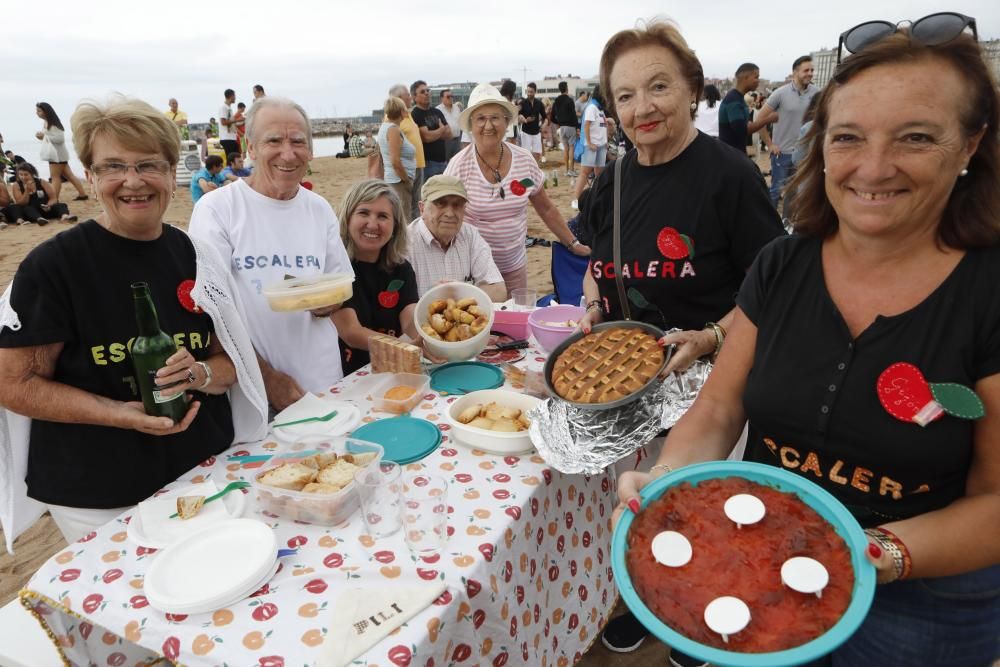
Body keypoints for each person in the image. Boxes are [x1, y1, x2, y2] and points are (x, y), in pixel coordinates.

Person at [615, 19, 1000, 667]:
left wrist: (868, 553)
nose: (874, 167)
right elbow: (715, 411)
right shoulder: (781, 265)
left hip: (924, 605)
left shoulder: (989, 290)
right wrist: (666, 486)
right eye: (848, 137)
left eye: (915, 138)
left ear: (970, 145)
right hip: (760, 564)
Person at [578, 21, 785, 662]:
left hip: (712, 383)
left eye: (659, 86)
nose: (644, 107)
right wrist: (591, 299)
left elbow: (772, 284)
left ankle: (696, 619)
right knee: (641, 503)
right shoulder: (613, 181)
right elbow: (597, 260)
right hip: (631, 383)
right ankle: (645, 601)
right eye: (626, 96)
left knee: (699, 512)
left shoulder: (728, 176)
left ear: (691, 88)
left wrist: (713, 334)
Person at [0, 95, 268, 547]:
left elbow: (231, 361)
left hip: (204, 470)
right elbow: (14, 384)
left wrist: (200, 373)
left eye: (149, 165)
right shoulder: (53, 268)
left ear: (170, 172)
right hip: (100, 492)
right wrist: (119, 415)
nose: (132, 181)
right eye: (112, 167)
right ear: (89, 174)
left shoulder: (195, 254)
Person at [189, 96, 353, 411]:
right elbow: (212, 315)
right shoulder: (218, 209)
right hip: (254, 392)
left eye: (298, 142)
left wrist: (324, 302)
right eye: (273, 141)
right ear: (250, 146)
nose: (288, 154)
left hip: (324, 381)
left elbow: (339, 286)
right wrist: (267, 378)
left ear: (311, 149)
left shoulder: (318, 208)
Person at [445, 83, 590, 296]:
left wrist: (573, 243)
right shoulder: (458, 168)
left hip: (515, 265)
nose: (488, 125)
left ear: (506, 121)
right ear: (470, 125)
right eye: (480, 118)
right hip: (474, 272)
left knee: (514, 324)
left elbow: (546, 209)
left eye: (495, 117)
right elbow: (444, 220)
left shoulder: (524, 162)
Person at [332, 180, 423, 374]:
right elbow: (351, 332)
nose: (372, 224)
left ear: (395, 226)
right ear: (347, 217)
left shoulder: (401, 268)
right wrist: (408, 347)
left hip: (389, 368)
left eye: (383, 216)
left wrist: (430, 337)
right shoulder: (334, 267)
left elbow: (409, 318)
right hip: (343, 374)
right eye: (363, 213)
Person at [408, 175, 505, 300]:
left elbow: (499, 290)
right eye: (441, 204)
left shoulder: (470, 235)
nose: (449, 213)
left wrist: (458, 293)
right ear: (422, 208)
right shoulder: (405, 243)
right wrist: (468, 295)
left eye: (457, 205)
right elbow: (400, 307)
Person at [755, 56, 820, 209]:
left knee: (797, 193)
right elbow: (760, 120)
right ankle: (769, 226)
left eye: (812, 70)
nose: (810, 73)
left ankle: (788, 223)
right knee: (776, 192)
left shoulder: (817, 93)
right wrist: (770, 144)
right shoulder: (780, 93)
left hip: (806, 153)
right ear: (795, 72)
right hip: (782, 153)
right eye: (806, 70)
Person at [35, 102, 89, 202]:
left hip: (56, 155)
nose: (37, 113)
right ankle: (83, 194)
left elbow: (60, 139)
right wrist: (42, 137)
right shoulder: (48, 122)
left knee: (55, 177)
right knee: (69, 175)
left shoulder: (53, 124)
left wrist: (44, 137)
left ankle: (54, 199)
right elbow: (51, 138)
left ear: (46, 112)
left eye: (39, 111)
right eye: (37, 111)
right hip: (59, 154)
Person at [388, 84, 426, 216]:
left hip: (417, 165)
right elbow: (392, 154)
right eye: (408, 95)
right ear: (399, 99)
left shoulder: (408, 115)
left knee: (417, 204)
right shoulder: (392, 120)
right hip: (407, 169)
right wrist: (404, 176)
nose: (411, 97)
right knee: (406, 207)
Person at [377, 96, 417, 221]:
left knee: (398, 216)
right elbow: (395, 161)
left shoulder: (385, 127)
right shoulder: (393, 130)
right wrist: (406, 180)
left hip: (394, 179)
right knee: (404, 218)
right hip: (398, 181)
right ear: (401, 112)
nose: (408, 112)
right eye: (405, 109)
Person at [717, 64, 771, 154]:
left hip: (736, 153)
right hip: (730, 155)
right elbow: (742, 130)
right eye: (756, 77)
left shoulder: (738, 98)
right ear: (746, 78)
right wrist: (768, 119)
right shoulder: (733, 100)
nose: (758, 81)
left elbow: (742, 124)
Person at [8, 162, 77, 225]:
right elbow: (21, 203)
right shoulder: (16, 185)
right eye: (21, 175)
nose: (23, 177)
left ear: (32, 174)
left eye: (26, 174)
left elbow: (53, 198)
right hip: (31, 211)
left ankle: (65, 216)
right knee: (27, 209)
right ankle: (39, 219)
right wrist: (26, 191)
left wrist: (48, 205)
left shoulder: (41, 182)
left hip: (45, 208)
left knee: (61, 205)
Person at [573, 85, 609, 203]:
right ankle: (577, 199)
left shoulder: (600, 109)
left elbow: (603, 126)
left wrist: (606, 141)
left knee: (599, 173)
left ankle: (598, 197)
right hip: (591, 145)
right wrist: (589, 143)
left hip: (601, 145)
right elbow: (586, 125)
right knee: (585, 172)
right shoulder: (592, 107)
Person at [410, 80, 452, 179]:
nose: (426, 93)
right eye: (422, 92)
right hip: (427, 164)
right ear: (414, 97)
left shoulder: (437, 112)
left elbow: (450, 134)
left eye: (427, 90)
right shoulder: (415, 114)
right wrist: (441, 130)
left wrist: (434, 133)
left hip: (443, 161)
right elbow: (426, 137)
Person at [552, 81, 579, 177]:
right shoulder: (569, 100)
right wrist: (577, 127)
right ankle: (571, 170)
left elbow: (552, 116)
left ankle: (566, 170)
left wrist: (559, 122)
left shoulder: (556, 100)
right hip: (570, 126)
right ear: (566, 88)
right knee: (571, 148)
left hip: (562, 127)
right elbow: (573, 115)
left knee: (565, 149)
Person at [518, 82, 546, 161]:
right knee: (526, 154)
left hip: (536, 132)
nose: (529, 93)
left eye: (531, 92)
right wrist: (524, 119)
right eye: (528, 91)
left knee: (537, 154)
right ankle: (527, 170)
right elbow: (518, 115)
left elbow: (545, 117)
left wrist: (543, 125)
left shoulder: (539, 103)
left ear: (535, 92)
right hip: (526, 132)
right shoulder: (522, 103)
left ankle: (535, 170)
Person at [436, 88, 463, 161]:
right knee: (446, 162)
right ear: (442, 98)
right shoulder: (437, 110)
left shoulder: (456, 108)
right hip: (445, 142)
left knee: (457, 161)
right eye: (448, 96)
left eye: (452, 96)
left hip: (458, 139)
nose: (451, 98)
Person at [217, 88, 239, 159]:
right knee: (232, 160)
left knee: (235, 159)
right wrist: (237, 120)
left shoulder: (229, 108)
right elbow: (223, 122)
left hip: (231, 138)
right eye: (234, 96)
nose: (235, 97)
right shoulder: (223, 108)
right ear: (231, 96)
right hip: (226, 138)